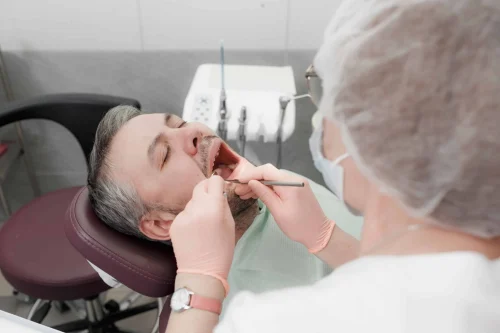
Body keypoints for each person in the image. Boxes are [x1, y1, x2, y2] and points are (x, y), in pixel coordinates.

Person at [166, 0, 500, 332]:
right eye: (163, 155)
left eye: (329, 91)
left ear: (381, 133)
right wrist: (325, 238)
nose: (192, 131)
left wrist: (196, 287)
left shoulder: (277, 322)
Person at [87, 107, 363, 312]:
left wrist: (326, 237)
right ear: (162, 224)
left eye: (180, 123)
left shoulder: (285, 186)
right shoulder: (246, 312)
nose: (193, 131)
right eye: (164, 155)